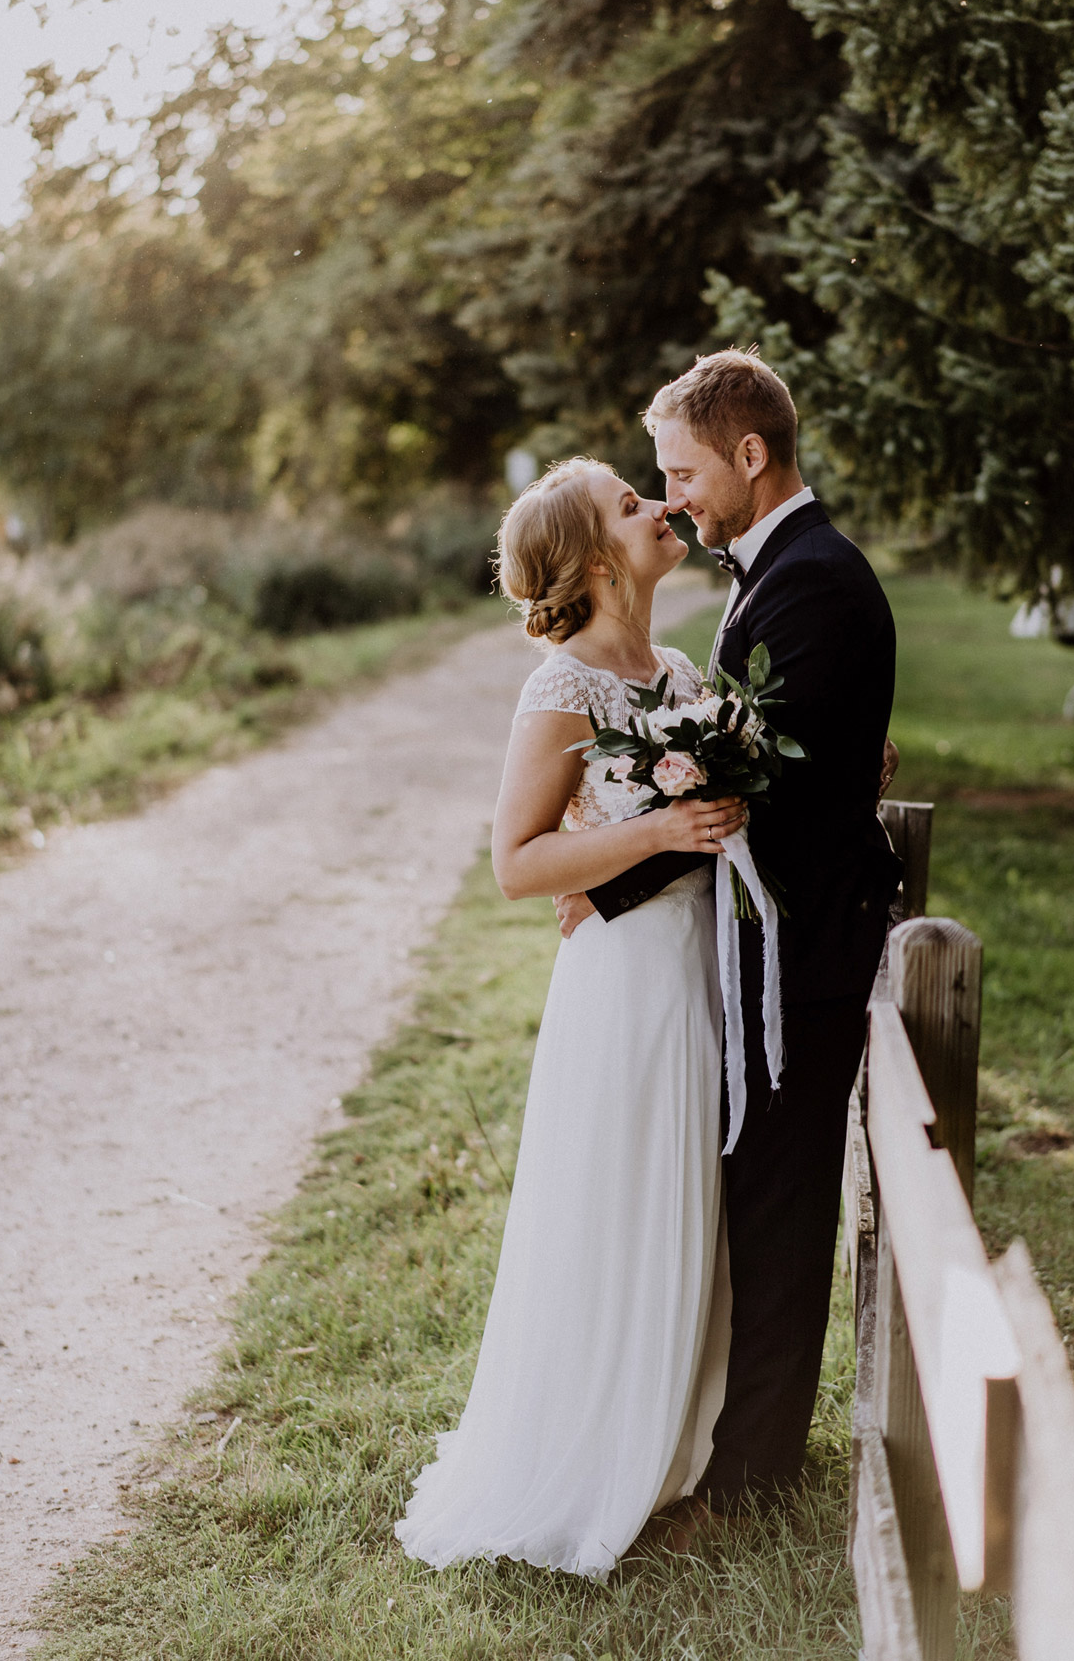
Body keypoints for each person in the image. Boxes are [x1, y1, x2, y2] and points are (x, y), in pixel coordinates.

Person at [556, 350, 901, 1534]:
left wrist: (603, 886)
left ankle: (750, 1480)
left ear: (750, 456)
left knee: (782, 1206)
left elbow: (747, 784)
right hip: (775, 943)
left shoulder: (813, 580)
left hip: (803, 957)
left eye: (685, 471)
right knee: (762, 1197)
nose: (677, 496)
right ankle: (734, 1450)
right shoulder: (786, 574)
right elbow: (769, 755)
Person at [395, 457, 746, 1577]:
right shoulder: (562, 688)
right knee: (624, 1199)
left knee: (690, 1198)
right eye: (632, 505)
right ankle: (600, 1456)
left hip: (699, 968)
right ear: (599, 560)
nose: (659, 507)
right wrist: (658, 833)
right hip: (624, 984)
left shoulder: (679, 667)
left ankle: (676, 1445)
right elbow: (516, 863)